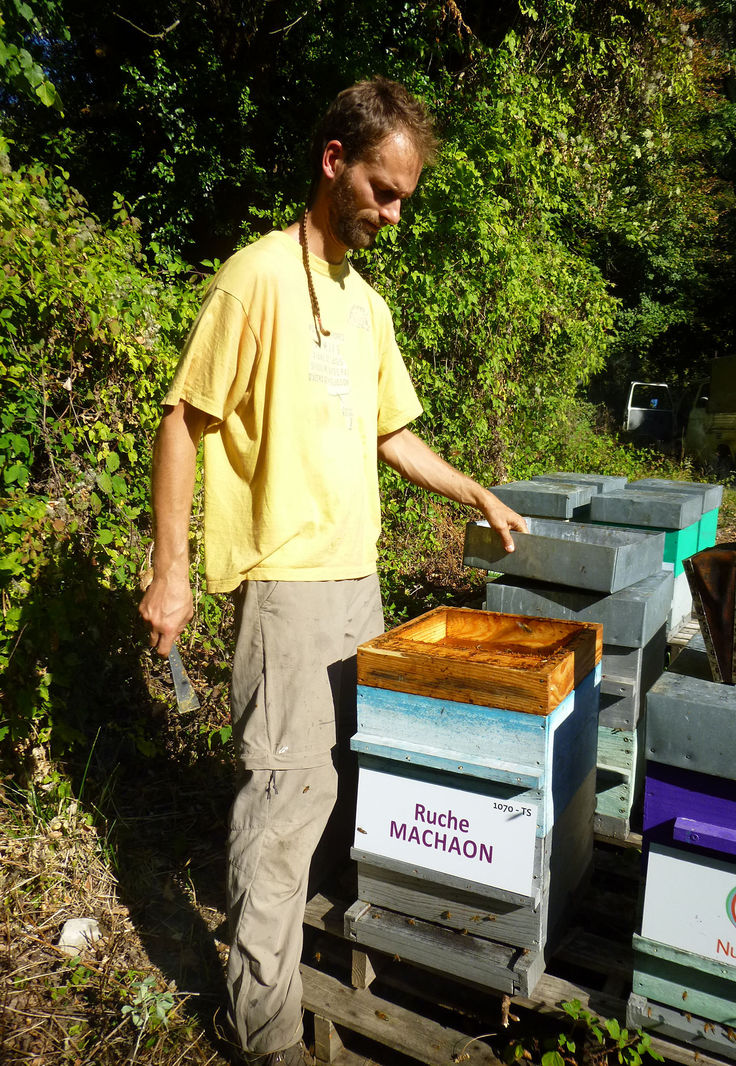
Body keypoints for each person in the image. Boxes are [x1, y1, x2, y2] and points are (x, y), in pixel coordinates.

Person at [139, 77, 526, 1066]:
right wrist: (170, 570)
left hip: (356, 582)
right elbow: (181, 420)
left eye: (403, 197)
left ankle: (306, 970)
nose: (392, 212)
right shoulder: (256, 278)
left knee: (342, 790)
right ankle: (263, 1034)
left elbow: (394, 433)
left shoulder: (365, 306)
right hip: (284, 592)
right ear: (332, 161)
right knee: (282, 807)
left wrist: (469, 489)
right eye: (381, 190)